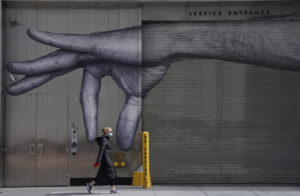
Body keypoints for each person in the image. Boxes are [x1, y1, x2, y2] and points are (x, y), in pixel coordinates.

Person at [87, 127, 119, 194]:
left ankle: (90, 184)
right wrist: (97, 162)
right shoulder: (104, 140)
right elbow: (101, 151)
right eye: (111, 131)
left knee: (100, 175)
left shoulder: (106, 139)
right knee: (112, 174)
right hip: (106, 160)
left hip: (106, 159)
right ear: (107, 132)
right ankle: (112, 189)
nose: (111, 133)